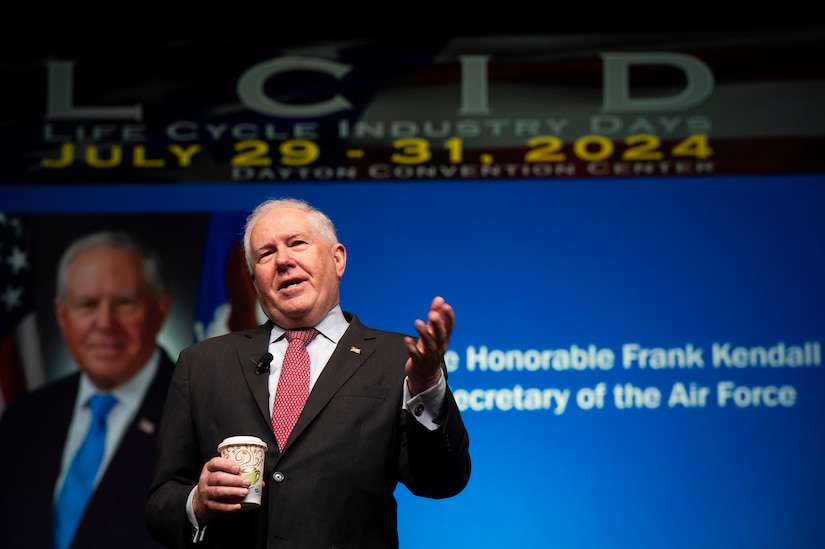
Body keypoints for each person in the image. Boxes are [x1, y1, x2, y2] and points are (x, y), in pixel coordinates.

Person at [145, 198, 471, 548]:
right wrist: (197, 501)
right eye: (265, 254)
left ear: (338, 259)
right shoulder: (202, 363)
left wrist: (426, 386)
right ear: (255, 281)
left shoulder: (397, 359)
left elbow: (441, 481)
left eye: (297, 243)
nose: (283, 260)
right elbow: (161, 503)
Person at [0, 231, 173, 549]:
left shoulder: (200, 414)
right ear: (62, 316)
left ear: (159, 311)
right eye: (86, 305)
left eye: (124, 303)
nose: (105, 323)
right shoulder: (23, 418)